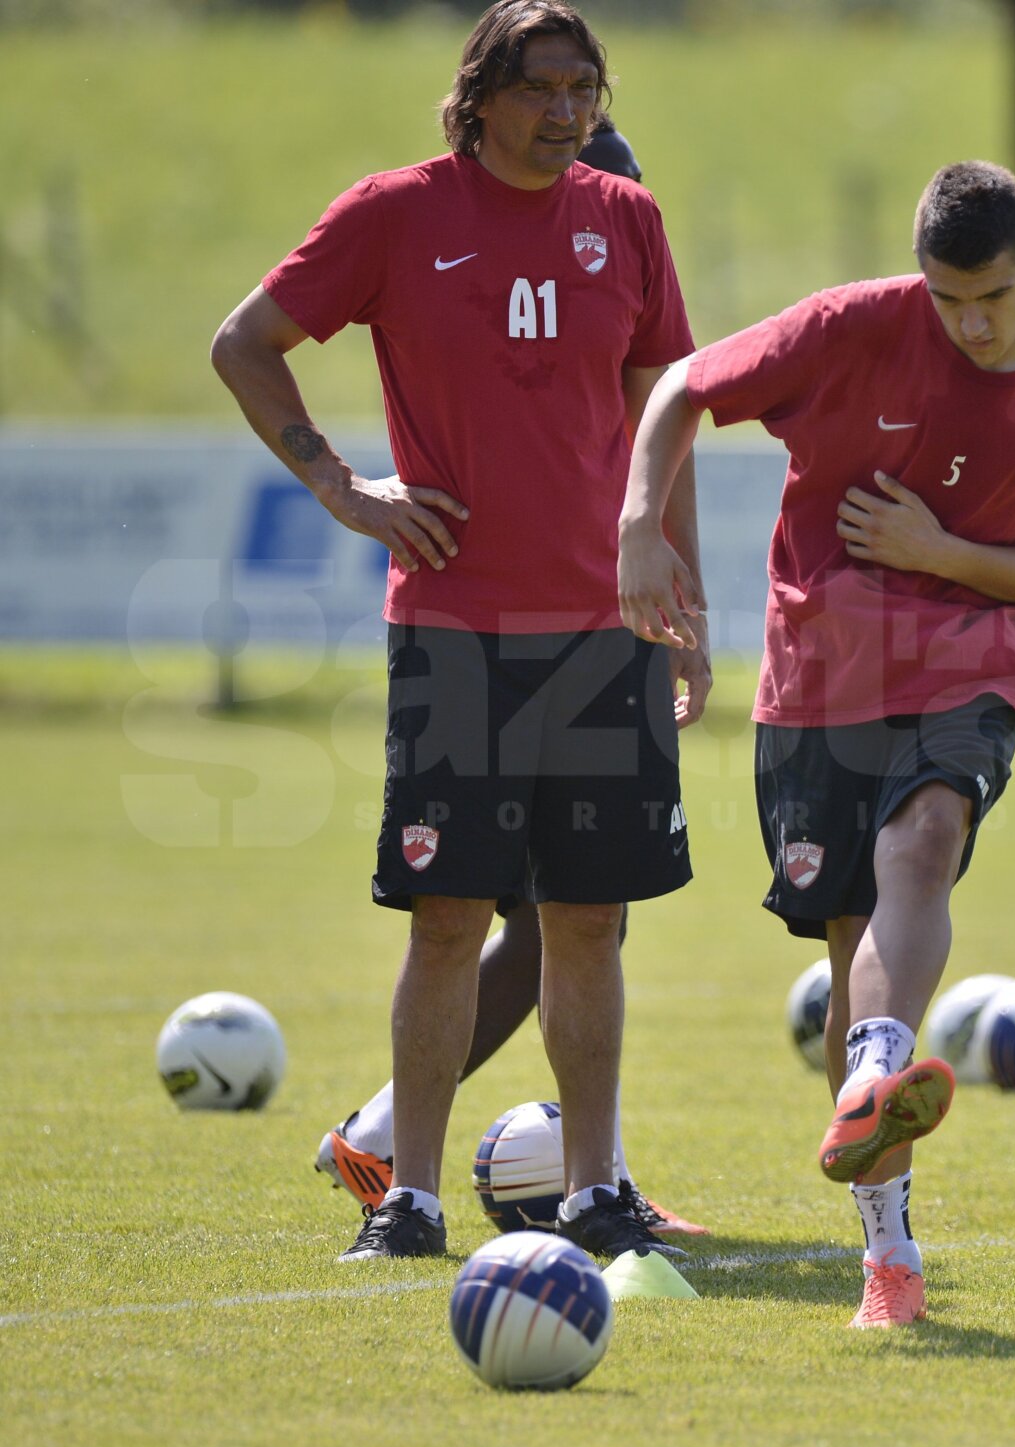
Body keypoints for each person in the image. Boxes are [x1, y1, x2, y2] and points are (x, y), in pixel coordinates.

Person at [211, 1, 708, 1263]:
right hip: (454, 628)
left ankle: (598, 1190)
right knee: (449, 914)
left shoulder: (628, 220)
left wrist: (684, 596)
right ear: (478, 94)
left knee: (590, 918)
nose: (567, 112)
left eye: (585, 90)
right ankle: (409, 1195)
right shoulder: (392, 214)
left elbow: (667, 415)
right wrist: (343, 488)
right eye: (543, 87)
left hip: (607, 631)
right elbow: (246, 344)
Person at [617, 160, 1015, 1325]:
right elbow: (682, 387)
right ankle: (888, 1251)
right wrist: (642, 523)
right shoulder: (851, 327)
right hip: (824, 664)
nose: (970, 323)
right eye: (948, 300)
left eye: (992, 299)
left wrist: (941, 552)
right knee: (855, 931)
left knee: (927, 837)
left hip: (977, 652)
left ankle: (875, 1071)